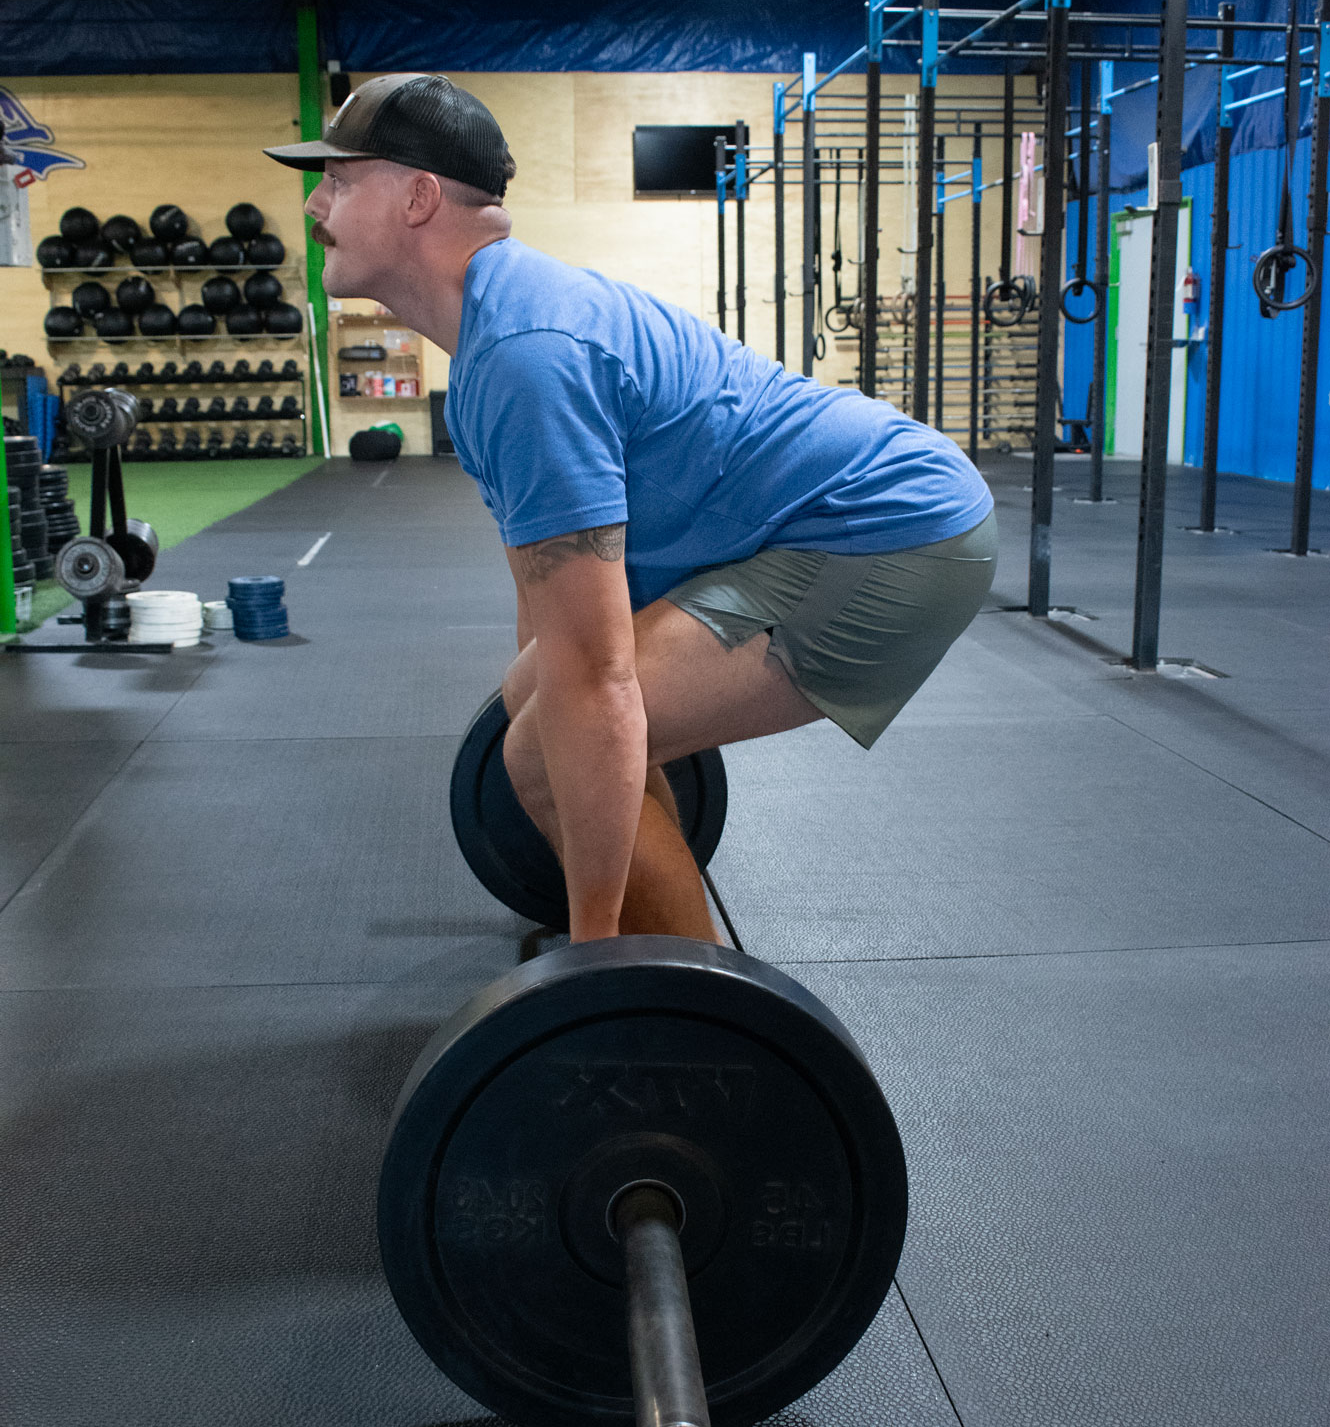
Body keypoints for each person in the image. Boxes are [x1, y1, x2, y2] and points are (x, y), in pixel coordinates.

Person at [267, 72, 997, 947]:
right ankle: (660, 959)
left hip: (890, 537)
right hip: (829, 525)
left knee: (541, 751)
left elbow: (599, 684)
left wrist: (592, 962)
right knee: (532, 699)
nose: (316, 205)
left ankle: (699, 1019)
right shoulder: (494, 350)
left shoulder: (527, 358)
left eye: (340, 181)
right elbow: (552, 627)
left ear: (418, 197)